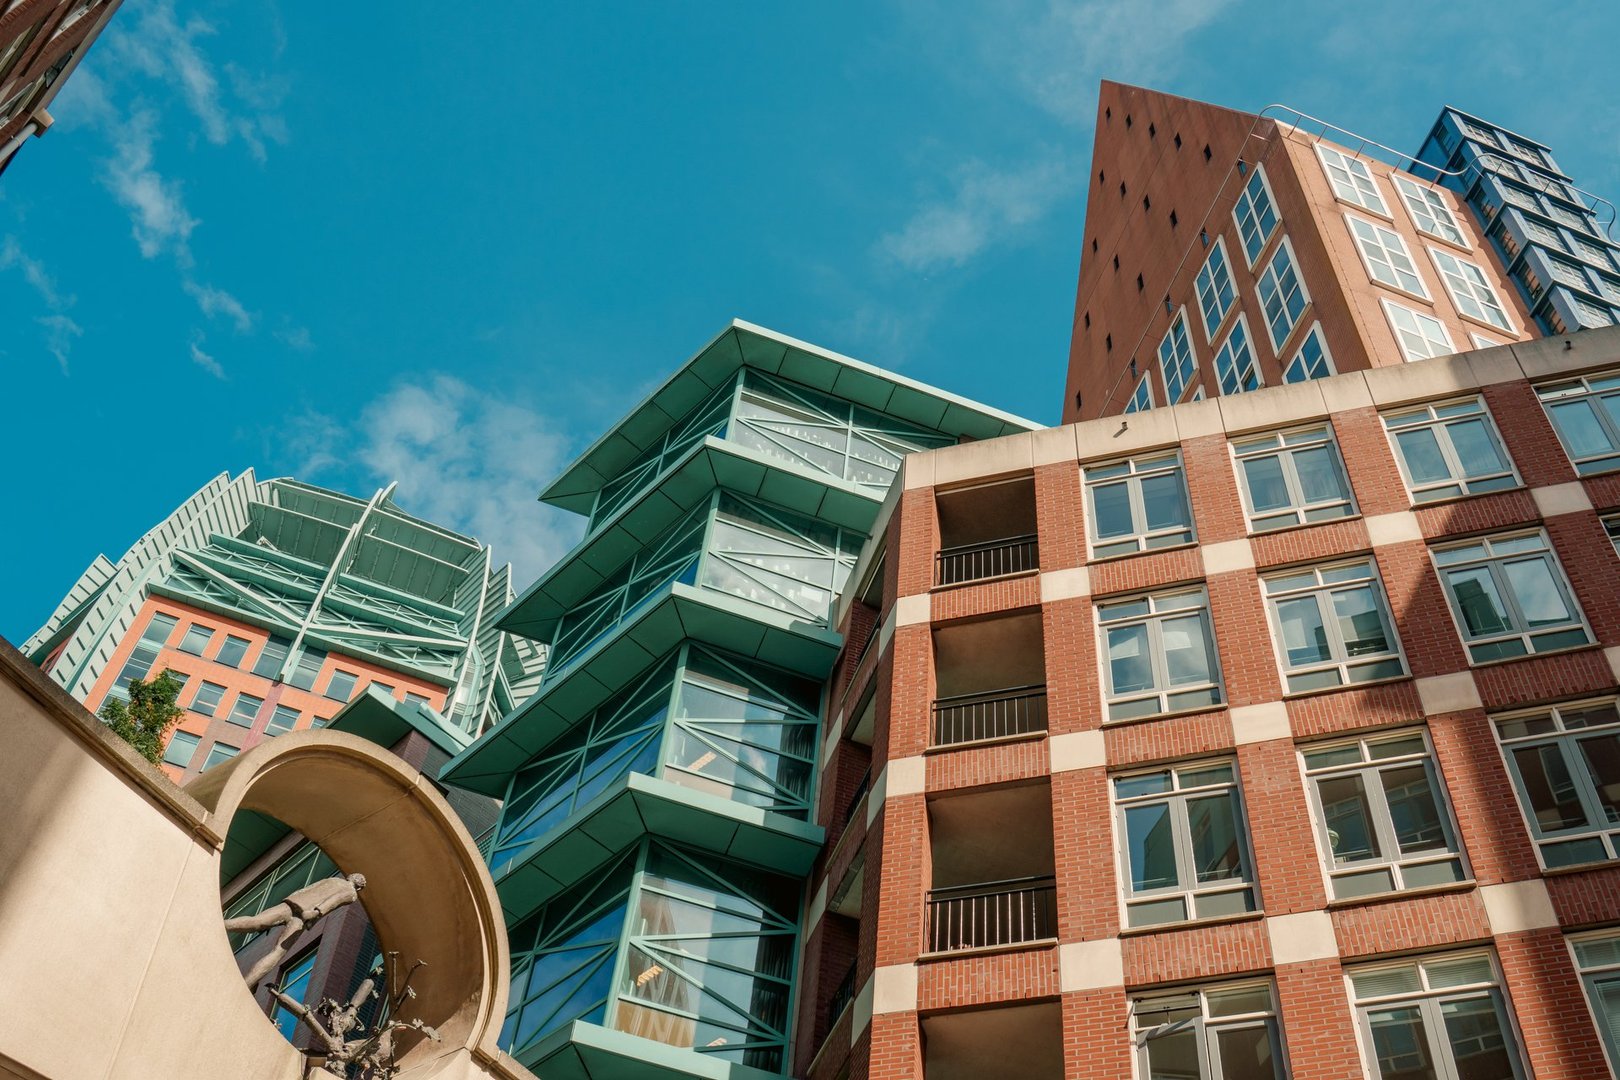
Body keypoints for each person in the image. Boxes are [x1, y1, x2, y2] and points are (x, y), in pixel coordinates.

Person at [225, 872, 367, 991]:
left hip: (292, 904)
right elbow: (334, 901)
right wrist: (316, 912)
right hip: (303, 916)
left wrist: (292, 900)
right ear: (359, 887)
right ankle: (246, 984)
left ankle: (223, 924)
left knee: (255, 921)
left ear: (350, 877)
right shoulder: (351, 893)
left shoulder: (334, 880)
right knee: (277, 952)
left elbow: (308, 889)